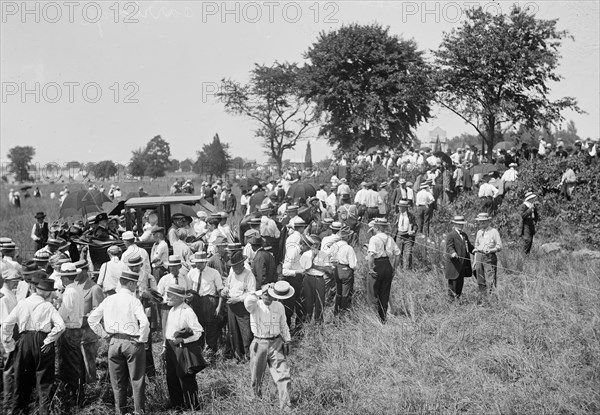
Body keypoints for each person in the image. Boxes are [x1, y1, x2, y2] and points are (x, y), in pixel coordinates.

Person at [88, 270, 150, 415]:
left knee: (117, 383)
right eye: (135, 284)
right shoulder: (134, 301)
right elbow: (145, 323)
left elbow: (92, 320)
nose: (136, 287)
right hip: (132, 342)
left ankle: (120, 412)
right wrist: (142, 339)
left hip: (114, 343)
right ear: (130, 283)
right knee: (137, 380)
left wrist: (104, 335)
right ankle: (138, 412)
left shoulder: (109, 299)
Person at [2, 279, 65, 415]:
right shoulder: (48, 306)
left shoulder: (22, 304)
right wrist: (49, 340)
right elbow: (61, 326)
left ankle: (18, 411)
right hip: (42, 341)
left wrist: (9, 345)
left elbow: (6, 324)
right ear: (48, 293)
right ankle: (44, 411)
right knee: (44, 382)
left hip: (24, 340)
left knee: (21, 380)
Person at [244, 281, 293, 411]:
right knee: (256, 377)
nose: (267, 297)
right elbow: (248, 301)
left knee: (283, 375)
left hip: (276, 343)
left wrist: (287, 340)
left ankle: (286, 408)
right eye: (265, 294)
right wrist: (261, 291)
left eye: (270, 295)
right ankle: (257, 404)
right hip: (259, 343)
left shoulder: (279, 306)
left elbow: (283, 324)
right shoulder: (255, 305)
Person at [161, 285, 203, 410]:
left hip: (182, 348)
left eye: (170, 296)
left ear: (179, 298)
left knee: (186, 377)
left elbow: (198, 331)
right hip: (170, 347)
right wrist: (164, 346)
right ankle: (177, 405)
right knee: (171, 377)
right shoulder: (172, 310)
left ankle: (193, 406)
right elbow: (169, 331)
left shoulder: (187, 311)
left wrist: (184, 340)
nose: (167, 298)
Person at [56, 263, 85, 408]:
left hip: (69, 330)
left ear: (65, 278)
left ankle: (76, 397)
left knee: (70, 364)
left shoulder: (69, 292)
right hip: (76, 329)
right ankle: (78, 394)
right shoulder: (77, 289)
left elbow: (63, 313)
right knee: (76, 361)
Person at [222, 251, 256, 361]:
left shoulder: (249, 275)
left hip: (242, 306)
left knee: (246, 332)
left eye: (237, 266)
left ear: (242, 264)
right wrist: (225, 290)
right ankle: (238, 355)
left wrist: (238, 299)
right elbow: (228, 285)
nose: (235, 268)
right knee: (233, 331)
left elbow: (252, 293)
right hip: (231, 305)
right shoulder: (232, 272)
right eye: (233, 266)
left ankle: (249, 355)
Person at [75, 259, 104, 384]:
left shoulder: (95, 288)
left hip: (88, 333)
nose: (75, 275)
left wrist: (85, 319)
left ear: (85, 271)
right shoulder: (73, 287)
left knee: (89, 362)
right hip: (75, 333)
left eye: (77, 272)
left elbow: (97, 310)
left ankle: (91, 387)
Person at [187, 252, 223, 353]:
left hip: (209, 301)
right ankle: (200, 350)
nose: (197, 265)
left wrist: (219, 307)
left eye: (200, 263)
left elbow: (220, 290)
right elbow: (188, 289)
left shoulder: (213, 272)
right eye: (196, 263)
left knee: (211, 326)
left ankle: (211, 352)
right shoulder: (192, 273)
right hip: (195, 301)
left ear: (205, 262)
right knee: (198, 325)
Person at [366, 218, 400, 322]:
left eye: (375, 227)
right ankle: (383, 318)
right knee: (384, 293)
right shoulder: (389, 238)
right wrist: (394, 268)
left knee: (373, 292)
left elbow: (371, 255)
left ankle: (374, 319)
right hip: (387, 265)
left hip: (377, 264)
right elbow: (398, 254)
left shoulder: (374, 239)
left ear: (377, 227)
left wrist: (370, 268)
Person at [299, 235, 332, 324]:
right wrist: (313, 257)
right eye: (313, 244)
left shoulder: (323, 254)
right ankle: (307, 322)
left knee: (319, 302)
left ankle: (318, 323)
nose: (315, 246)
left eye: (317, 244)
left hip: (319, 279)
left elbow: (328, 270)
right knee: (308, 302)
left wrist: (314, 266)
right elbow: (305, 268)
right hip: (308, 278)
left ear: (320, 244)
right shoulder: (306, 254)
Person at [157, 255, 192, 335]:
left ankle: (178, 344)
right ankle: (165, 345)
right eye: (170, 267)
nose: (172, 269)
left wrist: (189, 297)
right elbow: (158, 295)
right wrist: (166, 300)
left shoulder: (185, 278)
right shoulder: (164, 279)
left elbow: (189, 291)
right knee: (167, 327)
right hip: (167, 307)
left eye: (174, 267)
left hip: (181, 307)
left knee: (179, 327)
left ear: (179, 266)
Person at [444, 215, 475, 300]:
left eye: (461, 224)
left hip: (462, 264)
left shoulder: (464, 235)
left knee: (460, 283)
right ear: (454, 225)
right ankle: (451, 301)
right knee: (453, 283)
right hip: (454, 264)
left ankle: (457, 299)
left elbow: (469, 246)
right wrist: (453, 253)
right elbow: (449, 247)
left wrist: (475, 251)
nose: (460, 226)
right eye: (458, 224)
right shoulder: (451, 235)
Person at [473, 213, 503, 301]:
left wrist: (491, 250)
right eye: (480, 221)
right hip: (479, 256)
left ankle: (492, 298)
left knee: (490, 277)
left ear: (488, 221)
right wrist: (475, 261)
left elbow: (499, 246)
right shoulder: (479, 232)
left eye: (483, 221)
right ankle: (483, 299)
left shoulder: (494, 231)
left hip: (489, 257)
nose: (481, 223)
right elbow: (476, 246)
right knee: (480, 278)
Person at [328, 227, 357, 314]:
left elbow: (329, 257)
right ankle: (343, 314)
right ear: (348, 237)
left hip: (337, 270)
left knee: (338, 292)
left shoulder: (334, 246)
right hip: (346, 270)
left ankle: (336, 311)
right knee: (346, 294)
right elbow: (353, 265)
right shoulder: (349, 248)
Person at [393, 200, 418, 270]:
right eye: (399, 207)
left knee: (408, 254)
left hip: (408, 237)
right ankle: (399, 268)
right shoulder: (397, 216)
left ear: (405, 207)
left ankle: (408, 269)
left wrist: (413, 231)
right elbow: (394, 227)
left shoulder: (410, 216)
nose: (399, 208)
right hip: (399, 236)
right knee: (398, 253)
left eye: (400, 207)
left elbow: (415, 225)